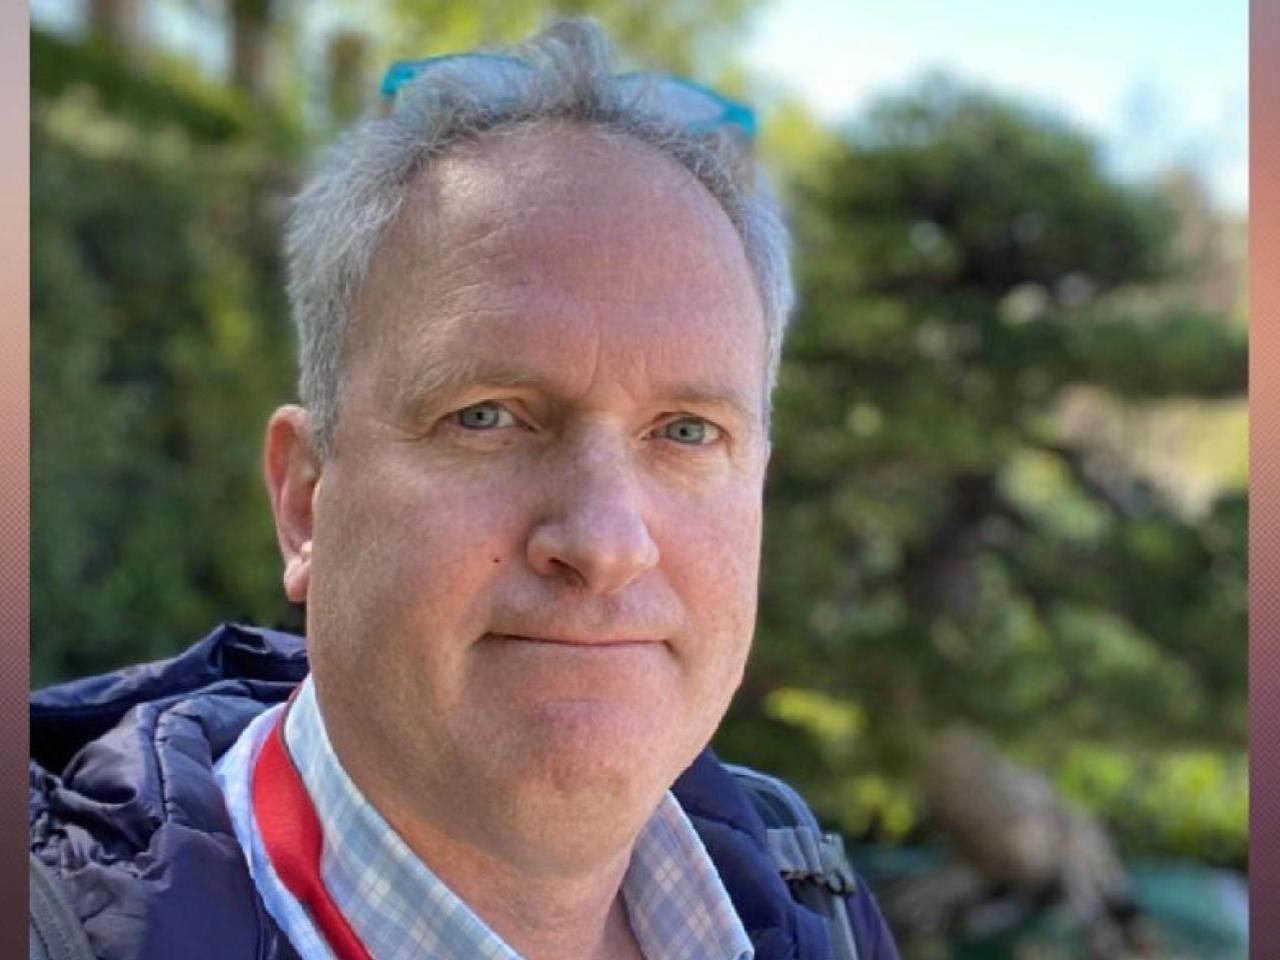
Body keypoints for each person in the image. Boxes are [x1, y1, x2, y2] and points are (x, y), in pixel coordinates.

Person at [30, 19, 899, 960]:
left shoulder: (815, 899)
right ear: (304, 499)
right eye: (488, 416)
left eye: (687, 432)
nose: (605, 543)